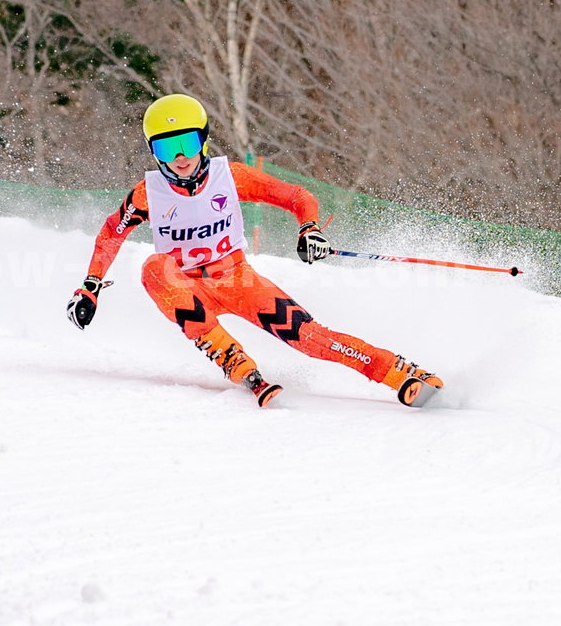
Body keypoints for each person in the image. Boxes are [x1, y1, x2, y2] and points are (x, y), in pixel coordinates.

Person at [67, 94, 444, 409]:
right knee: (153, 266)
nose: (180, 157)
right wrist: (91, 286)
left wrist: (308, 227)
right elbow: (110, 233)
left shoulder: (229, 177)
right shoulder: (146, 195)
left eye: (188, 143)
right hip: (184, 285)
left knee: (309, 338)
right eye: (167, 147)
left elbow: (296, 196)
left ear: (204, 141)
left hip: (238, 279)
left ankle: (397, 371)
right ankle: (231, 357)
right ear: (154, 152)